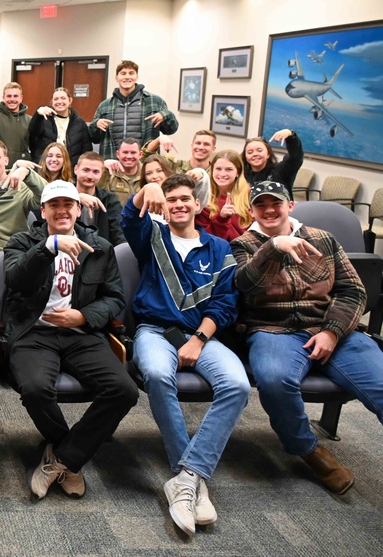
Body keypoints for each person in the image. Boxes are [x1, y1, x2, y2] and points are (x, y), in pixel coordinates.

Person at [232, 181, 383, 495]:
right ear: (252, 211)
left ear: (291, 206)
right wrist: (271, 248)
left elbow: (353, 291)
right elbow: (244, 286)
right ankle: (308, 450)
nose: (270, 210)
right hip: (274, 331)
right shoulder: (244, 244)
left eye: (277, 203)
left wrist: (332, 331)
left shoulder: (323, 240)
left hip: (332, 329)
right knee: (274, 380)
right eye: (261, 205)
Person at [121, 174, 248, 536]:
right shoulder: (153, 238)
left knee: (237, 384)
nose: (178, 204)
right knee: (159, 376)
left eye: (185, 199)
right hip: (153, 331)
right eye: (172, 199)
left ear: (198, 206)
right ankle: (189, 476)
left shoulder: (220, 249)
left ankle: (186, 477)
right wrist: (148, 189)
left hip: (201, 336)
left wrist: (198, 339)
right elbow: (128, 219)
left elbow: (225, 303)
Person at [2, 180, 137, 500]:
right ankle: (71, 455)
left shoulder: (100, 246)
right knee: (35, 390)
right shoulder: (22, 241)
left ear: (79, 209)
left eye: (68, 205)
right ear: (43, 211)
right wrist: (48, 248)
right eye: (54, 205)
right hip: (33, 333)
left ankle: (62, 459)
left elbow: (115, 297)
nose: (62, 211)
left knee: (124, 391)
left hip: (82, 334)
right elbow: (14, 280)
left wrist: (84, 316)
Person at [89, 60, 178, 161]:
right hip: (113, 163)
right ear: (116, 78)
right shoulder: (105, 106)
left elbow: (171, 129)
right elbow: (93, 138)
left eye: (131, 73)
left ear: (137, 77)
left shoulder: (154, 101)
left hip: (145, 162)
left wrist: (165, 115)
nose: (127, 77)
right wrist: (96, 124)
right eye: (123, 73)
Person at [29, 87, 93, 167]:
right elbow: (31, 135)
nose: (59, 102)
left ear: (70, 101)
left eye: (63, 98)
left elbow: (86, 150)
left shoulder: (79, 123)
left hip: (70, 170)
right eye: (56, 99)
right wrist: (38, 115)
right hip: (45, 168)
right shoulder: (43, 119)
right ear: (52, 102)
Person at [196, 150, 252, 241]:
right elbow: (202, 237)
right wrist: (221, 219)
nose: (222, 174)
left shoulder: (249, 196)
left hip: (243, 251)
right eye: (218, 169)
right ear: (212, 170)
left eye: (229, 169)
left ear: (238, 172)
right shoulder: (203, 197)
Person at [72, 152, 124, 247]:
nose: (90, 176)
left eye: (95, 172)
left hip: (100, 254)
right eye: (86, 170)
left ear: (101, 173)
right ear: (76, 169)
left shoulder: (109, 200)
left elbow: (119, 233)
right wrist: (75, 197)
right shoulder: (63, 193)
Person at [242, 130, 304, 194]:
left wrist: (290, 135)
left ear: (268, 154)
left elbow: (295, 157)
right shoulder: (242, 175)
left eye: (259, 150)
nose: (255, 154)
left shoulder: (281, 170)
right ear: (246, 157)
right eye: (250, 152)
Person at [142, 130, 217, 173]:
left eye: (206, 144)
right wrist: (159, 139)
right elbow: (145, 157)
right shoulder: (174, 166)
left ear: (213, 149)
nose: (201, 147)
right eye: (198, 143)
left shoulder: (215, 174)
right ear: (192, 146)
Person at [100, 138, 143, 205]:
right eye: (125, 152)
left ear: (140, 154)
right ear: (118, 154)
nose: (129, 156)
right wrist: (103, 167)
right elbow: (98, 193)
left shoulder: (147, 172)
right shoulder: (109, 173)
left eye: (133, 152)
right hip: (116, 215)